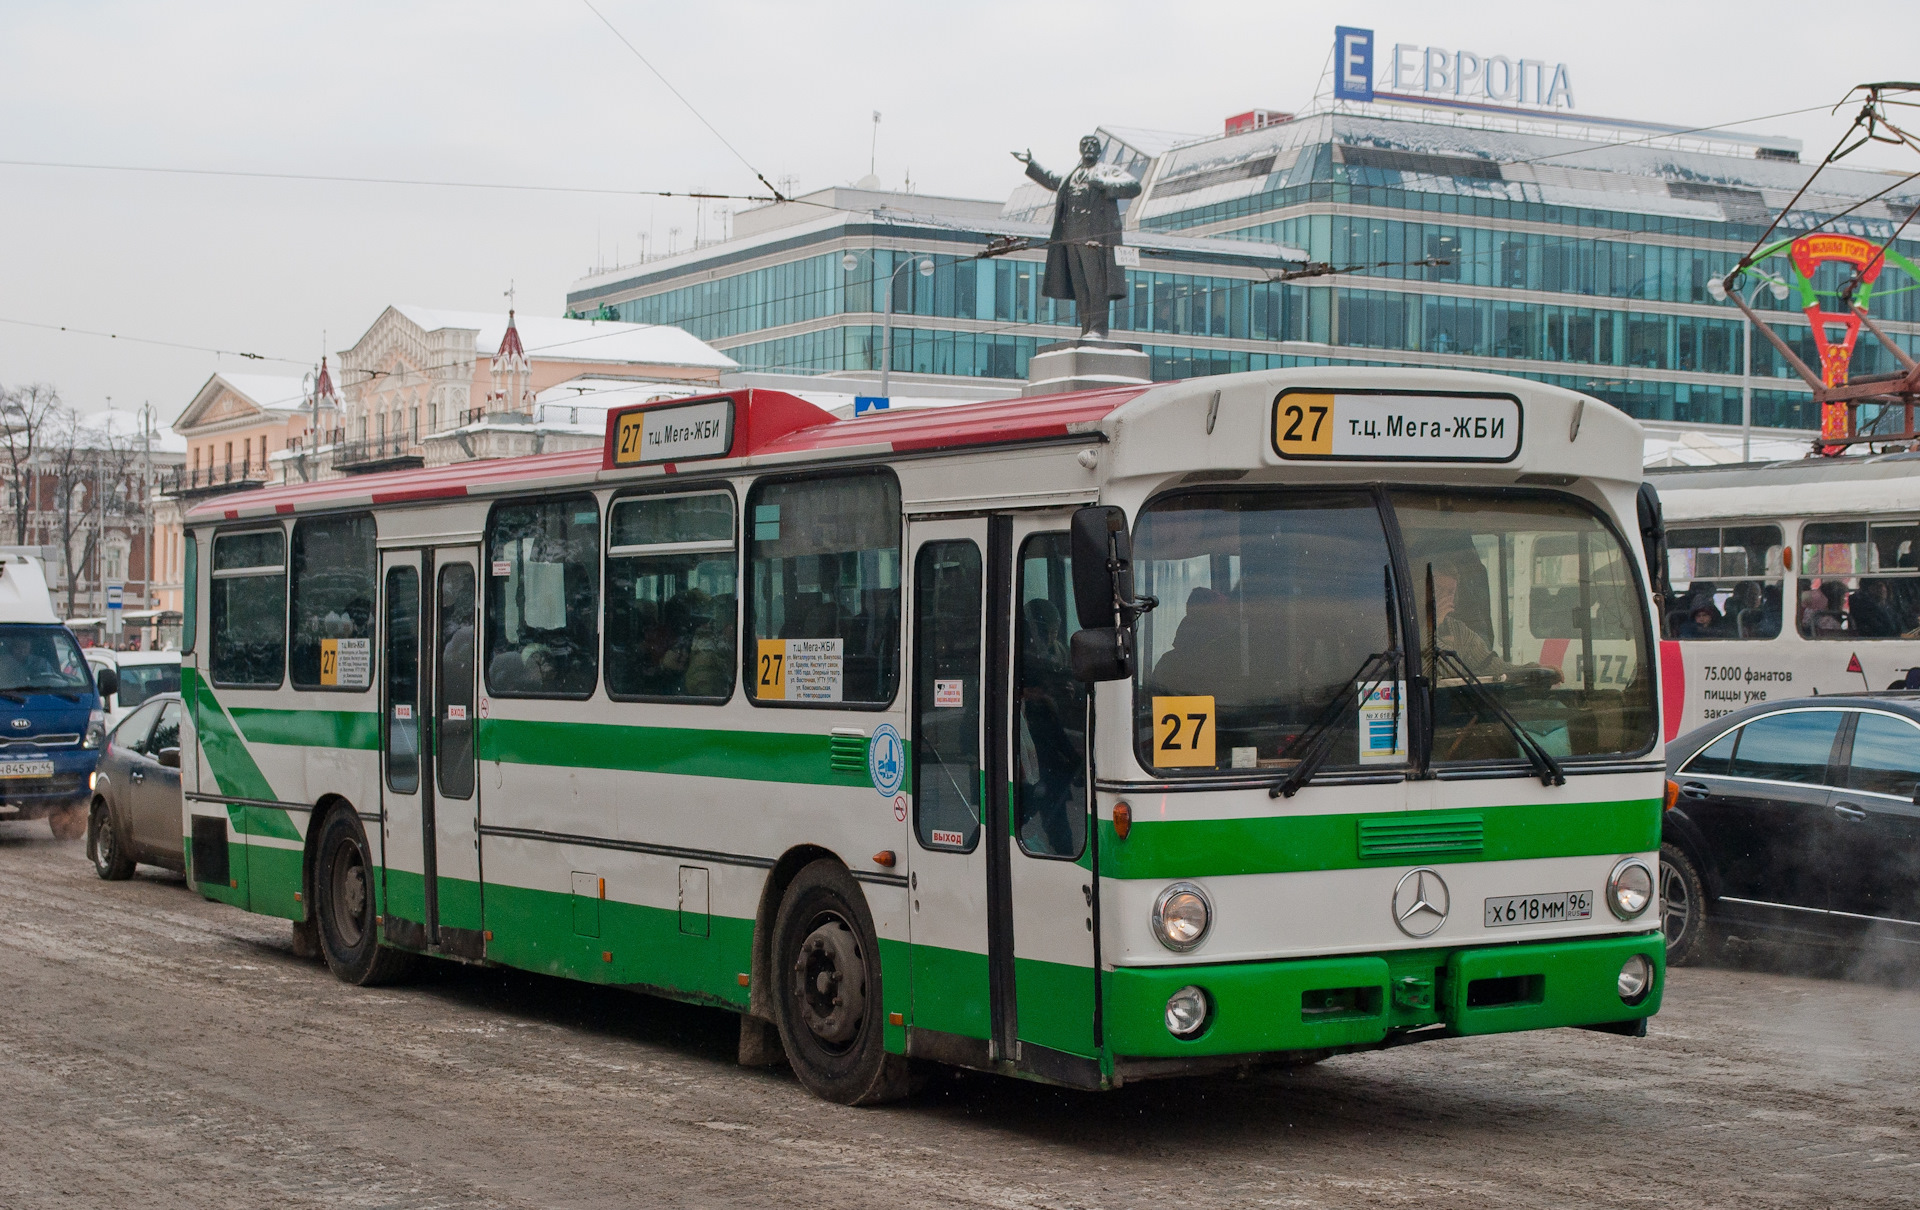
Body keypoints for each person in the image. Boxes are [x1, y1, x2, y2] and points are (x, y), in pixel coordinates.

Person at [1429, 560, 1561, 684]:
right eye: (1439, 590)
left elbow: (1491, 665)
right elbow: (1422, 668)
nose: (1445, 597)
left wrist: (1534, 670)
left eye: (1450, 592)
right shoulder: (1411, 631)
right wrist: (1433, 625)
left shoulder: (1459, 630)